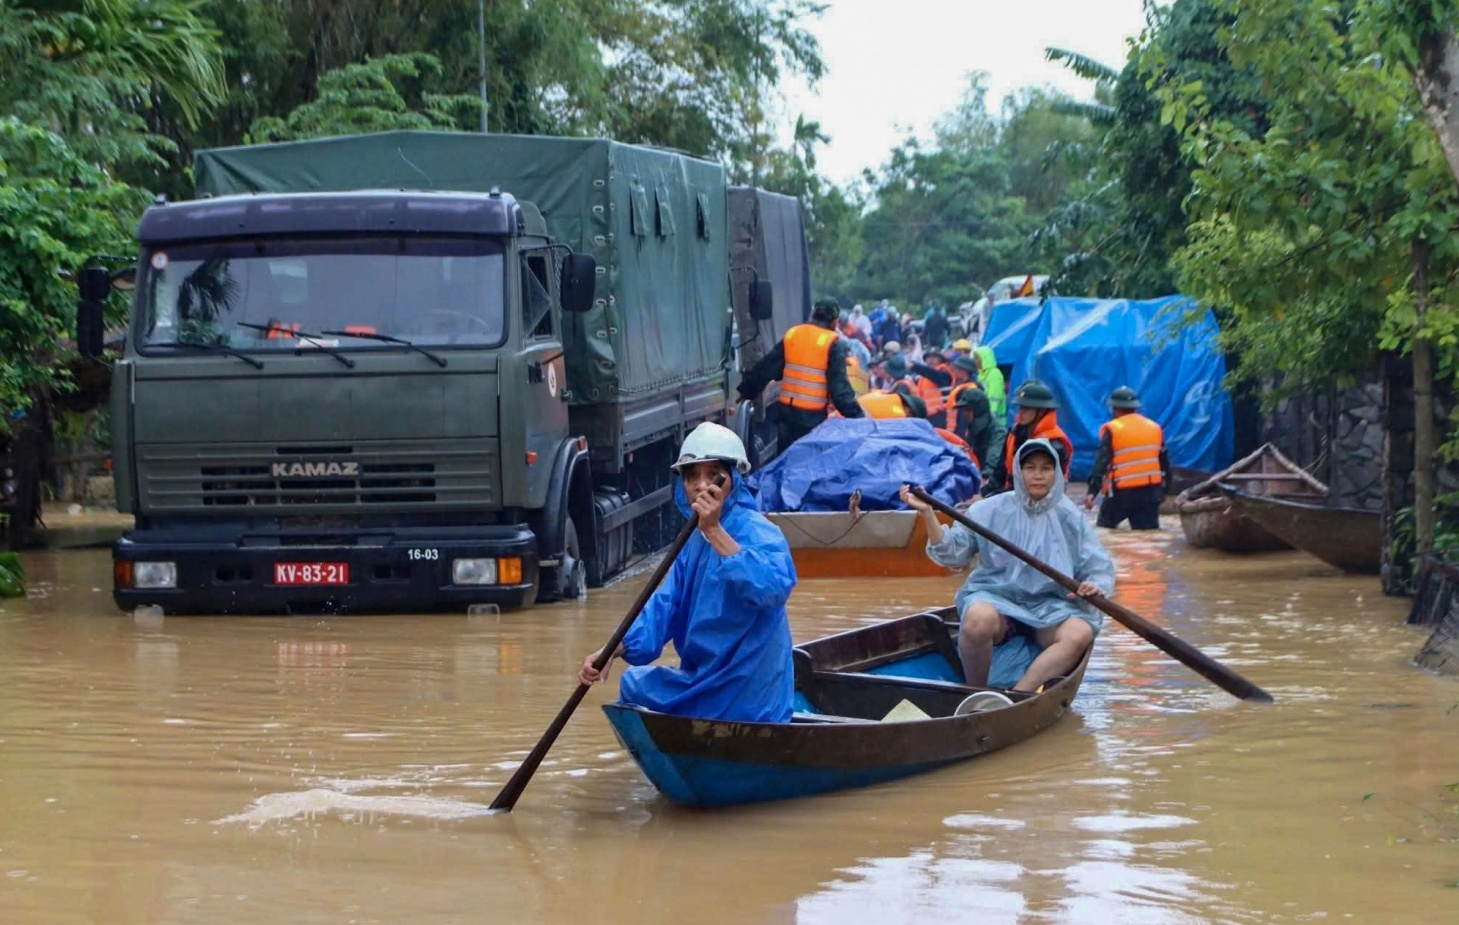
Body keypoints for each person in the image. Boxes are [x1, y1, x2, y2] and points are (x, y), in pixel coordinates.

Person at [578, 422, 797, 722]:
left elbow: (771, 588)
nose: (700, 484)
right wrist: (613, 648)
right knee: (633, 683)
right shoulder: (692, 541)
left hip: (749, 690)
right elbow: (665, 605)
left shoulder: (760, 532)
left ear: (732, 478)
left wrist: (715, 530)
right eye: (691, 476)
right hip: (705, 681)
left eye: (712, 475)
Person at [899, 439, 1115, 691]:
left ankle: (1017, 696)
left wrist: (1093, 585)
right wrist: (928, 514)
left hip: (1049, 608)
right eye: (1030, 468)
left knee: (1079, 633)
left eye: (1046, 468)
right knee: (977, 618)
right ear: (1018, 471)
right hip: (998, 601)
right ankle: (976, 693)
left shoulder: (1070, 518)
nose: (1038, 475)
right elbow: (953, 555)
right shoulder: (987, 510)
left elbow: (1097, 568)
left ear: (1056, 473)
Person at [738, 298, 865, 451]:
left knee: (786, 461)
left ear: (813, 314)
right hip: (811, 419)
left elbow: (767, 367)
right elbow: (840, 390)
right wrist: (858, 417)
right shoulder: (833, 344)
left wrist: (746, 390)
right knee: (806, 464)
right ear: (834, 322)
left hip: (786, 415)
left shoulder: (793, 334)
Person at [1085, 386, 1171, 530]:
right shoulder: (1154, 428)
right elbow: (1165, 463)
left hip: (1121, 494)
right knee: (1147, 538)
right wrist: (1164, 490)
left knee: (1104, 531)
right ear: (1135, 407)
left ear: (1115, 409)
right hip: (1150, 493)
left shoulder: (1113, 429)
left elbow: (1101, 463)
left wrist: (1092, 492)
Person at [984, 379, 1073, 494]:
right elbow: (1000, 469)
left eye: (1026, 408)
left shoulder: (1054, 443)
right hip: (1011, 498)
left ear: (1041, 412)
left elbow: (1040, 487)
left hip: (1039, 504)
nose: (1021, 412)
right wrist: (987, 493)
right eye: (1020, 407)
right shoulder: (1015, 432)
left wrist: (1000, 496)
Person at [952, 386, 1005, 485]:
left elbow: (993, 459)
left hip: (991, 484)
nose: (965, 414)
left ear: (978, 410)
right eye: (964, 410)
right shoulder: (972, 428)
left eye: (968, 410)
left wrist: (985, 478)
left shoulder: (997, 432)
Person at [973, 346, 1006, 420]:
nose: (974, 361)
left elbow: (994, 399)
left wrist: (989, 419)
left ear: (984, 358)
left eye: (976, 358)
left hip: (995, 422)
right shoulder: (981, 375)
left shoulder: (994, 374)